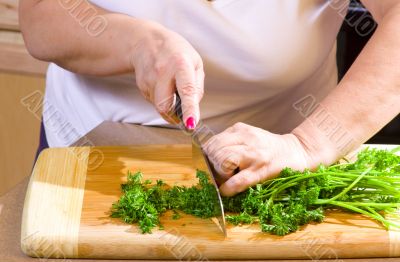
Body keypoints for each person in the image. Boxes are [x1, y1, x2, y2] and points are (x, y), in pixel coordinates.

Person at [20, 0, 400, 196]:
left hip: (272, 172)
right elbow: (39, 16)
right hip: (89, 153)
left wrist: (305, 145)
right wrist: (133, 43)